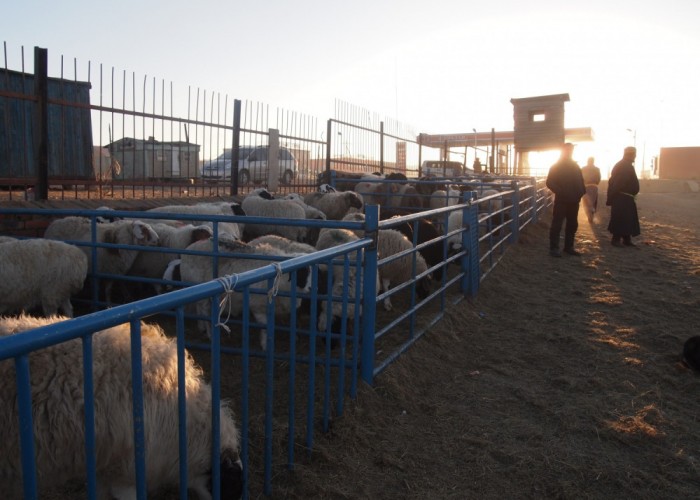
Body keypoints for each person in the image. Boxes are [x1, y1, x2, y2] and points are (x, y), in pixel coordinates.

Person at [545, 143, 586, 257]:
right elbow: (549, 182)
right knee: (557, 224)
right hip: (561, 200)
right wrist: (561, 191)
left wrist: (582, 191)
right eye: (567, 149)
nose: (569, 151)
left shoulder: (576, 166)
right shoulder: (556, 166)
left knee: (572, 224)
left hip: (574, 200)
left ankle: (569, 247)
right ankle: (554, 248)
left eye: (571, 150)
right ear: (562, 150)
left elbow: (581, 180)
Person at [606, 146, 640, 247]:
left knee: (628, 218)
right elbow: (618, 183)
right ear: (631, 155)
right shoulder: (624, 166)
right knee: (620, 218)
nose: (635, 157)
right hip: (621, 197)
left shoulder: (626, 165)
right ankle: (615, 240)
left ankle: (626, 239)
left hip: (626, 197)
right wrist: (614, 196)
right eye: (634, 155)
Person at [581, 156, 602, 223]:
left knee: (585, 202)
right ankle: (591, 215)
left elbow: (581, 178)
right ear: (593, 161)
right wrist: (596, 182)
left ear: (587, 161)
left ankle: (588, 215)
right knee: (593, 201)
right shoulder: (597, 169)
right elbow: (599, 178)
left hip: (585, 186)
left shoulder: (583, 168)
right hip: (594, 186)